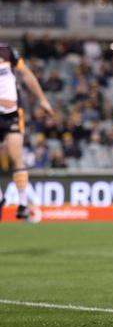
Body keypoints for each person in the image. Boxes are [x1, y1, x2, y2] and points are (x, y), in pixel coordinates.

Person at [0, 43, 53, 220]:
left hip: (12, 113)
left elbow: (27, 74)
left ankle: (22, 203)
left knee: (16, 156)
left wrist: (43, 99)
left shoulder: (7, 51)